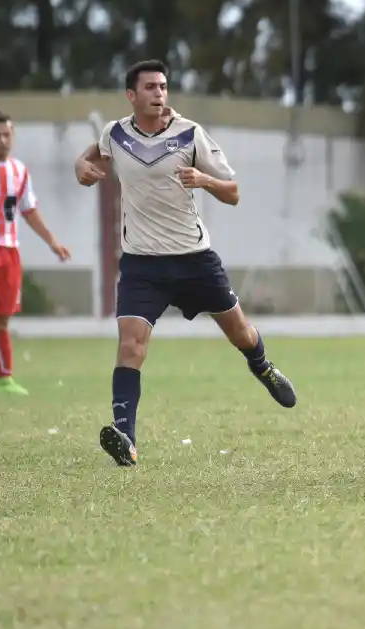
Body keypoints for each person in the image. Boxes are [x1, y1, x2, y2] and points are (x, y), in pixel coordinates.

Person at [72, 59, 296, 467]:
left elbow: (233, 192)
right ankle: (126, 437)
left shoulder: (190, 134)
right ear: (131, 96)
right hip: (142, 265)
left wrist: (204, 180)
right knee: (131, 346)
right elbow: (93, 156)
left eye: (163, 86)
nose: (159, 93)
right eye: (150, 87)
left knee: (241, 333)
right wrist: (80, 167)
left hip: (195, 260)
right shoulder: (115, 133)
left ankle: (263, 369)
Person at [0, 111, 71, 396]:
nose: (2, 140)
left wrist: (52, 241)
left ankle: (5, 379)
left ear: (12, 136)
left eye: (6, 134)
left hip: (9, 252)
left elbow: (28, 210)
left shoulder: (19, 170)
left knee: (1, 319)